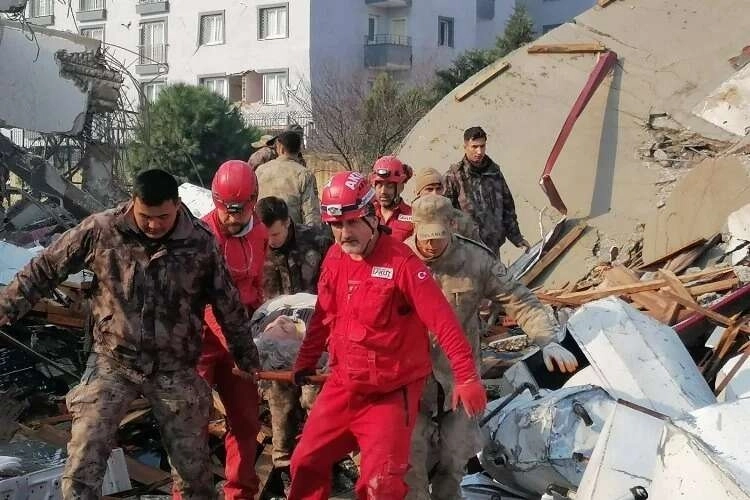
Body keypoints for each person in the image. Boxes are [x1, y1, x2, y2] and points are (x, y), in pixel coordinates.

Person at [0, 169, 259, 500]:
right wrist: (7, 307)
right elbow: (45, 268)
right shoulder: (102, 230)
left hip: (174, 367)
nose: (153, 225)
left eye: (163, 217)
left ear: (177, 205)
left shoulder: (200, 242)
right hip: (113, 361)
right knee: (84, 459)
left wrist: (246, 358)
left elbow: (228, 304)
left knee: (194, 475)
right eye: (145, 216)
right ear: (133, 202)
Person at [287, 171, 487, 500]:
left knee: (381, 486)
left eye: (352, 222)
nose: (344, 233)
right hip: (343, 387)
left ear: (371, 215)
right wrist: (305, 361)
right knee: (305, 462)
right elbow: (323, 315)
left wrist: (466, 376)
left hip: (390, 396)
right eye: (336, 225)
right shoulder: (335, 258)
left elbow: (443, 322)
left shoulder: (402, 263)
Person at [403, 194, 579, 500]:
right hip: (411, 381)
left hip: (459, 378)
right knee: (411, 462)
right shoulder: (397, 260)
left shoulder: (476, 261)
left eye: (438, 236)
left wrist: (547, 340)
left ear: (452, 225)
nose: (431, 245)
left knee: (454, 459)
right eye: (425, 237)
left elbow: (519, 299)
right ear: (414, 228)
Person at [184, 160, 268, 500]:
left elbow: (258, 284)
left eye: (239, 212)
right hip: (202, 341)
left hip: (241, 337)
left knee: (246, 421)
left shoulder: (260, 233)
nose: (231, 219)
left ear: (253, 202)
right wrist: (239, 345)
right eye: (225, 211)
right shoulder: (202, 237)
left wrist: (264, 325)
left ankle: (240, 492)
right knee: (191, 424)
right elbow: (206, 303)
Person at [255, 196, 332, 490]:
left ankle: (322, 462)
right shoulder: (254, 247)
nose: (270, 242)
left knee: (315, 400)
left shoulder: (318, 240)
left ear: (288, 223)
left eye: (275, 234)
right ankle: (284, 465)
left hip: (316, 333)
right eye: (265, 236)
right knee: (280, 404)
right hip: (276, 338)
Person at [444, 126, 531, 254]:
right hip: (469, 250)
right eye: (474, 147)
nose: (479, 151)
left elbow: (507, 206)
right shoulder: (454, 176)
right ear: (465, 147)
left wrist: (516, 237)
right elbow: (445, 214)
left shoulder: (494, 171)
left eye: (482, 146)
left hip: (494, 245)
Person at [256, 131, 321, 226]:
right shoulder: (304, 174)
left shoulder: (261, 170)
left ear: (281, 148)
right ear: (299, 149)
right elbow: (311, 213)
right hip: (290, 231)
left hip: (262, 229)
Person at [412, 167, 480, 241]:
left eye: (438, 189)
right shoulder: (410, 219)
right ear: (419, 192)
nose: (435, 193)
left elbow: (476, 246)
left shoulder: (462, 220)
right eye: (429, 189)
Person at [370, 155, 414, 242]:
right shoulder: (367, 214)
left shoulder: (413, 217)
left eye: (389, 186)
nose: (383, 191)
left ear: (401, 187)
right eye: (379, 185)